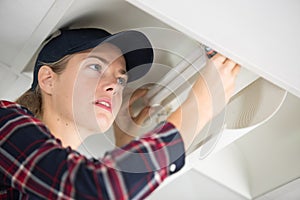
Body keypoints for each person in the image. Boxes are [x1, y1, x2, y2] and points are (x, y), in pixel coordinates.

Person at [0, 28, 240, 199]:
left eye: (121, 78)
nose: (115, 85)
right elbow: (97, 190)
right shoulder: (4, 120)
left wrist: (126, 143)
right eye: (95, 67)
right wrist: (199, 107)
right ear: (48, 80)